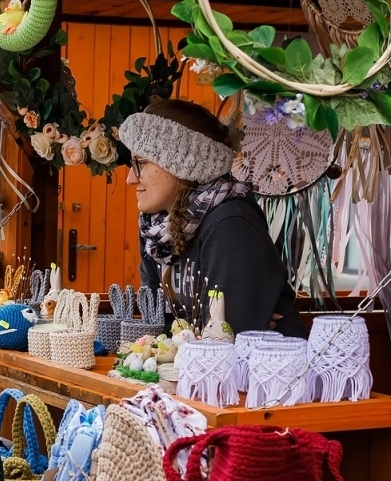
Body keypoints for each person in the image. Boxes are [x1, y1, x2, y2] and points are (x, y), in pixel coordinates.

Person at [120, 98, 306, 337]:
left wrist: (190, 334)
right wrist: (198, 333)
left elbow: (230, 338)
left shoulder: (231, 225)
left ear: (181, 161)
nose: (130, 178)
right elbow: (155, 326)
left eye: (141, 163)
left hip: (266, 370)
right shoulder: (153, 229)